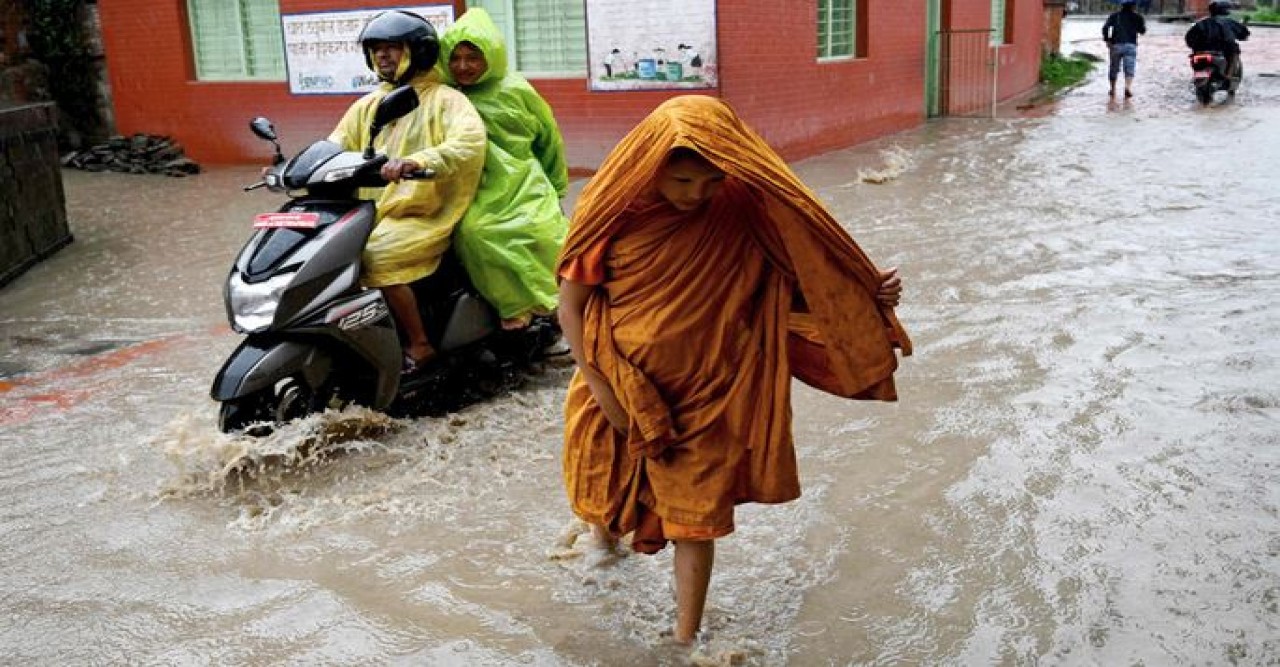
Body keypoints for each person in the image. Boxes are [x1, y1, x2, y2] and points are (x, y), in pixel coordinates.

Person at [556, 95, 911, 645]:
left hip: (710, 391)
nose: (694, 195)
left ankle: (684, 638)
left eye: (710, 182)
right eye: (680, 181)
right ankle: (603, 554)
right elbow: (572, 306)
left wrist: (868, 294)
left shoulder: (745, 210)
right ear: (649, 165)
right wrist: (603, 389)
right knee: (604, 488)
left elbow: (801, 278)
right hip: (618, 381)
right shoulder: (612, 213)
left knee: (694, 518)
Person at [328, 10, 487, 372]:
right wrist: (294, 168)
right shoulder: (367, 105)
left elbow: (468, 144)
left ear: (420, 51)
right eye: (376, 49)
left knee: (376, 257)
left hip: (425, 211)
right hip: (375, 212)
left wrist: (417, 161)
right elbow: (335, 145)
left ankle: (420, 343)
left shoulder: (446, 100)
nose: (382, 55)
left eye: (392, 47)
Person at [437, 8, 570, 331]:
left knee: (543, 232)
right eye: (455, 58)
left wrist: (556, 186)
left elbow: (549, 139)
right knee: (476, 233)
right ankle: (514, 305)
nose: (463, 66)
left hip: (523, 179)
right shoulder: (447, 95)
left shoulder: (517, 90)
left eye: (473, 57)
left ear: (492, 56)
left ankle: (557, 304)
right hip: (472, 184)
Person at [1185, 0, 1251, 91]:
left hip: (1200, 53)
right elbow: (1243, 33)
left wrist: (1196, 48)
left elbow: (1189, 38)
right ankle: (1228, 76)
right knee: (1234, 53)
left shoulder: (1200, 23)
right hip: (1221, 52)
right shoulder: (1230, 22)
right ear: (1225, 10)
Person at [1102, 0, 1147, 98]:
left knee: (1114, 68)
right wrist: (1139, 24)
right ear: (1133, 6)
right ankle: (1127, 87)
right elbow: (1142, 31)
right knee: (1130, 67)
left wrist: (1107, 40)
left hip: (1116, 45)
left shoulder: (1114, 16)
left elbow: (1105, 28)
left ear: (1121, 5)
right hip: (1131, 45)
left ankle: (1113, 89)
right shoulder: (1138, 17)